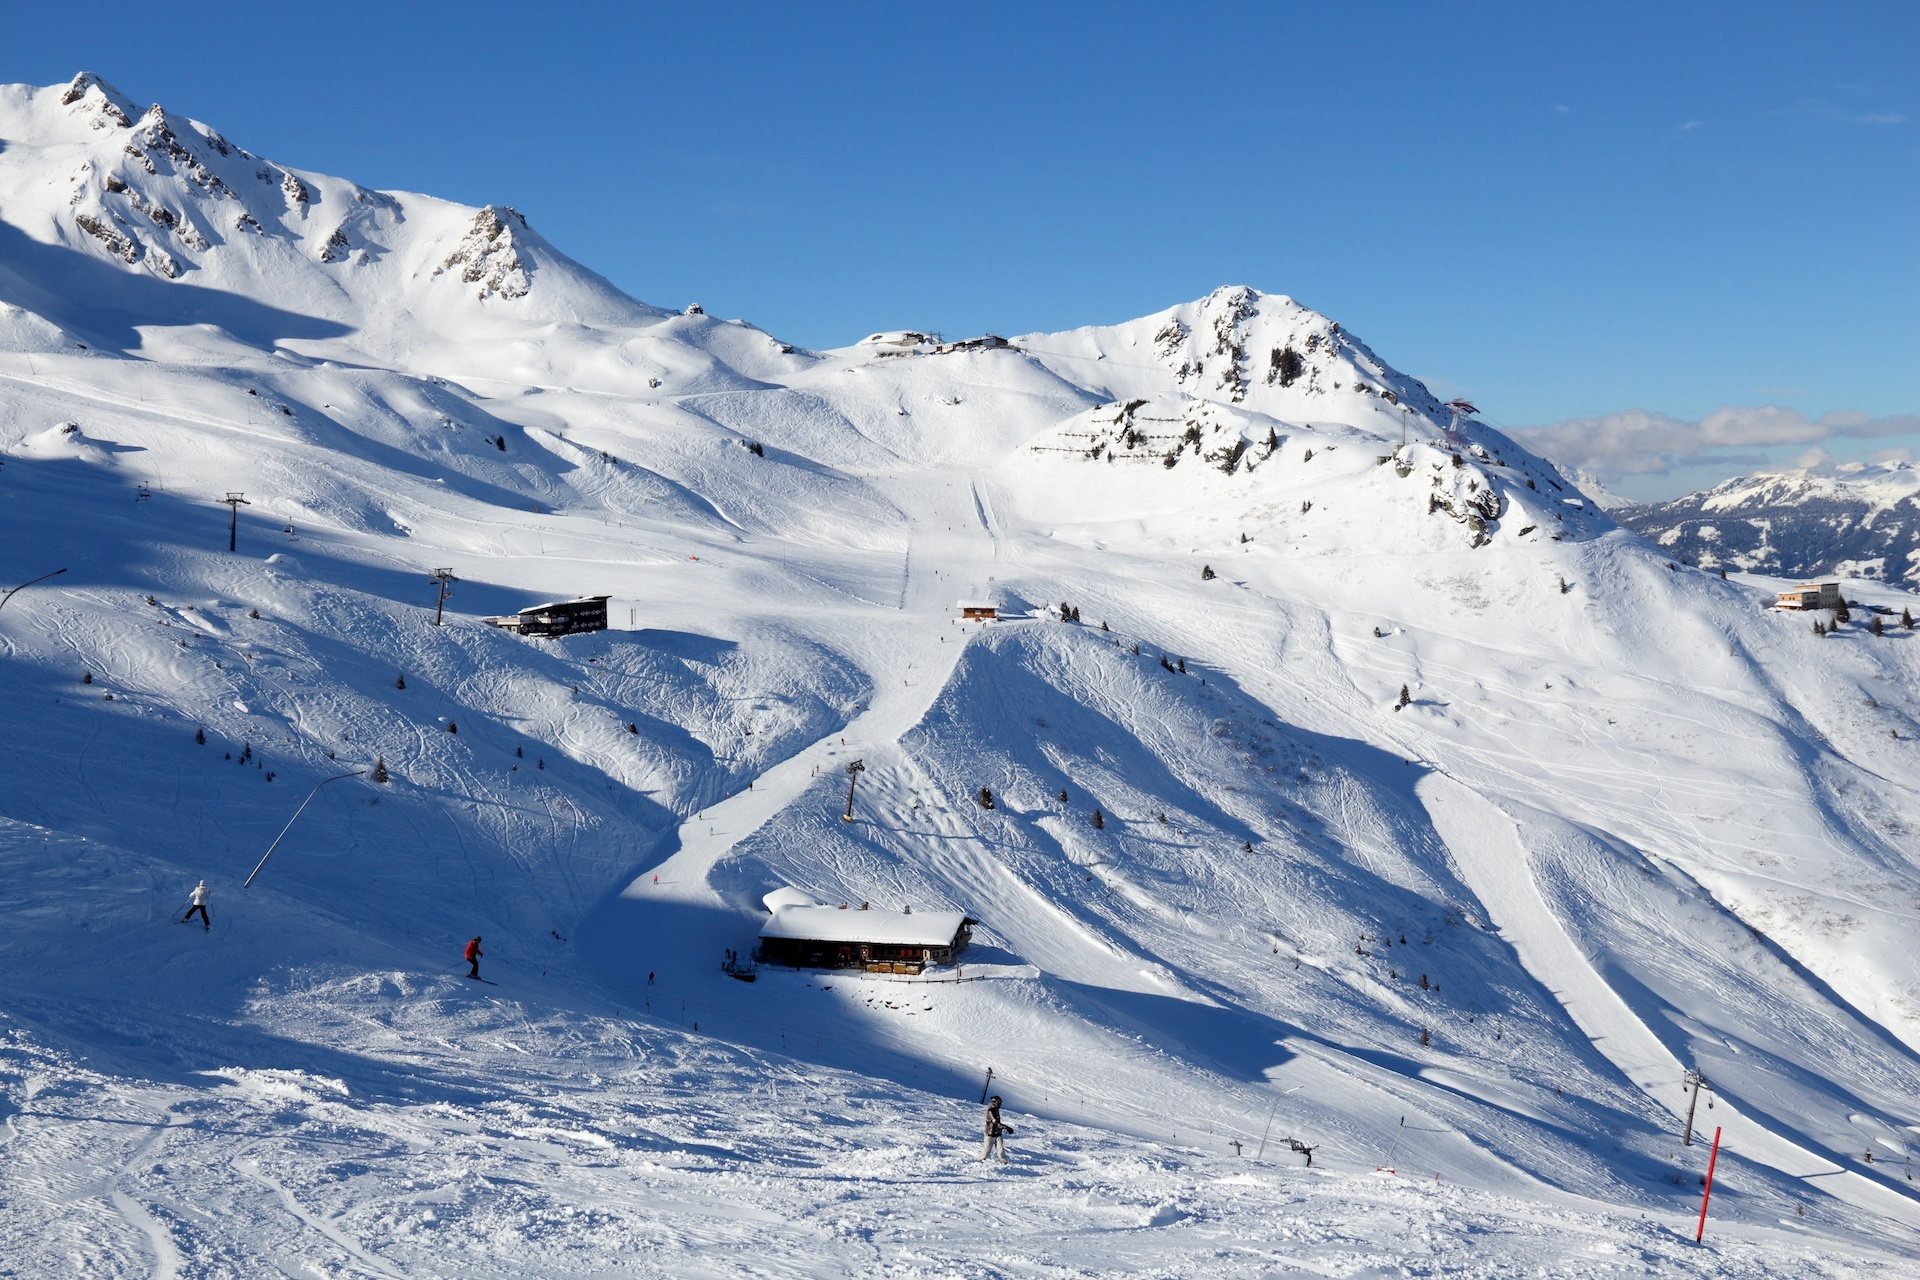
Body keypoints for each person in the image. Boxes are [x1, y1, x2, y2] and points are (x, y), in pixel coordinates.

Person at [980, 1094, 1013, 1163]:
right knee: (986, 1151)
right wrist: (1006, 1127)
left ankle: (1003, 1161)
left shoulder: (996, 1110)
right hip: (990, 1134)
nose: (1000, 1105)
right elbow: (996, 1123)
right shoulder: (991, 1111)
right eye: (999, 1103)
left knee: (1000, 1149)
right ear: (995, 1102)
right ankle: (980, 1161)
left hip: (997, 1134)